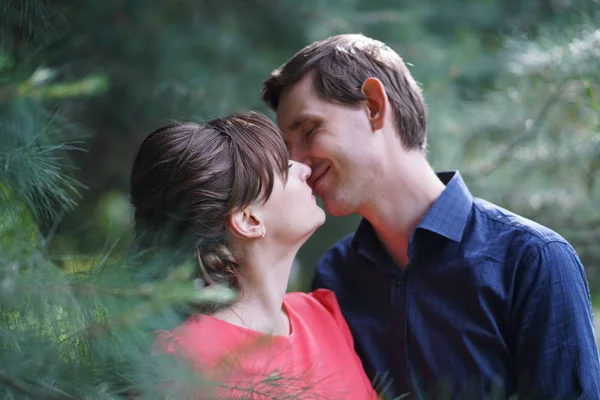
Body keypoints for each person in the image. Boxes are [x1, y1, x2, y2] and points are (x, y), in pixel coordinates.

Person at [261, 33, 600, 399]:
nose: (298, 165)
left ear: (374, 106)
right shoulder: (335, 276)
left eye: (309, 130)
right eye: (287, 151)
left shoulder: (532, 259)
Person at [129, 111, 379, 399]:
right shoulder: (182, 361)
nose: (305, 169)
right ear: (249, 220)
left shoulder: (323, 317)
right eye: (284, 168)